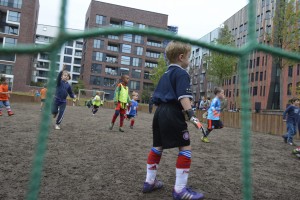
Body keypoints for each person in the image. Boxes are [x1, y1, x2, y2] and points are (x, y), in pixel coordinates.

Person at [142, 41, 204, 200]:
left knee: (157, 146)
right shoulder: (182, 73)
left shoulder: (165, 74)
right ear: (181, 57)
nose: (189, 60)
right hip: (172, 113)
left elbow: (156, 98)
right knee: (185, 148)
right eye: (189, 57)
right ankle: (180, 190)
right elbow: (183, 97)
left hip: (159, 113)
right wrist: (192, 115)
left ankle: (149, 182)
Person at [52, 65, 76, 130]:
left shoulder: (68, 85)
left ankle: (57, 124)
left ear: (69, 77)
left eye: (67, 76)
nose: (66, 77)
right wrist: (62, 70)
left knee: (62, 113)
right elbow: (58, 77)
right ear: (62, 76)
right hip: (56, 99)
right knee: (54, 111)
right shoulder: (59, 82)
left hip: (63, 101)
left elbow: (70, 93)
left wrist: (73, 96)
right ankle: (55, 112)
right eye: (64, 75)